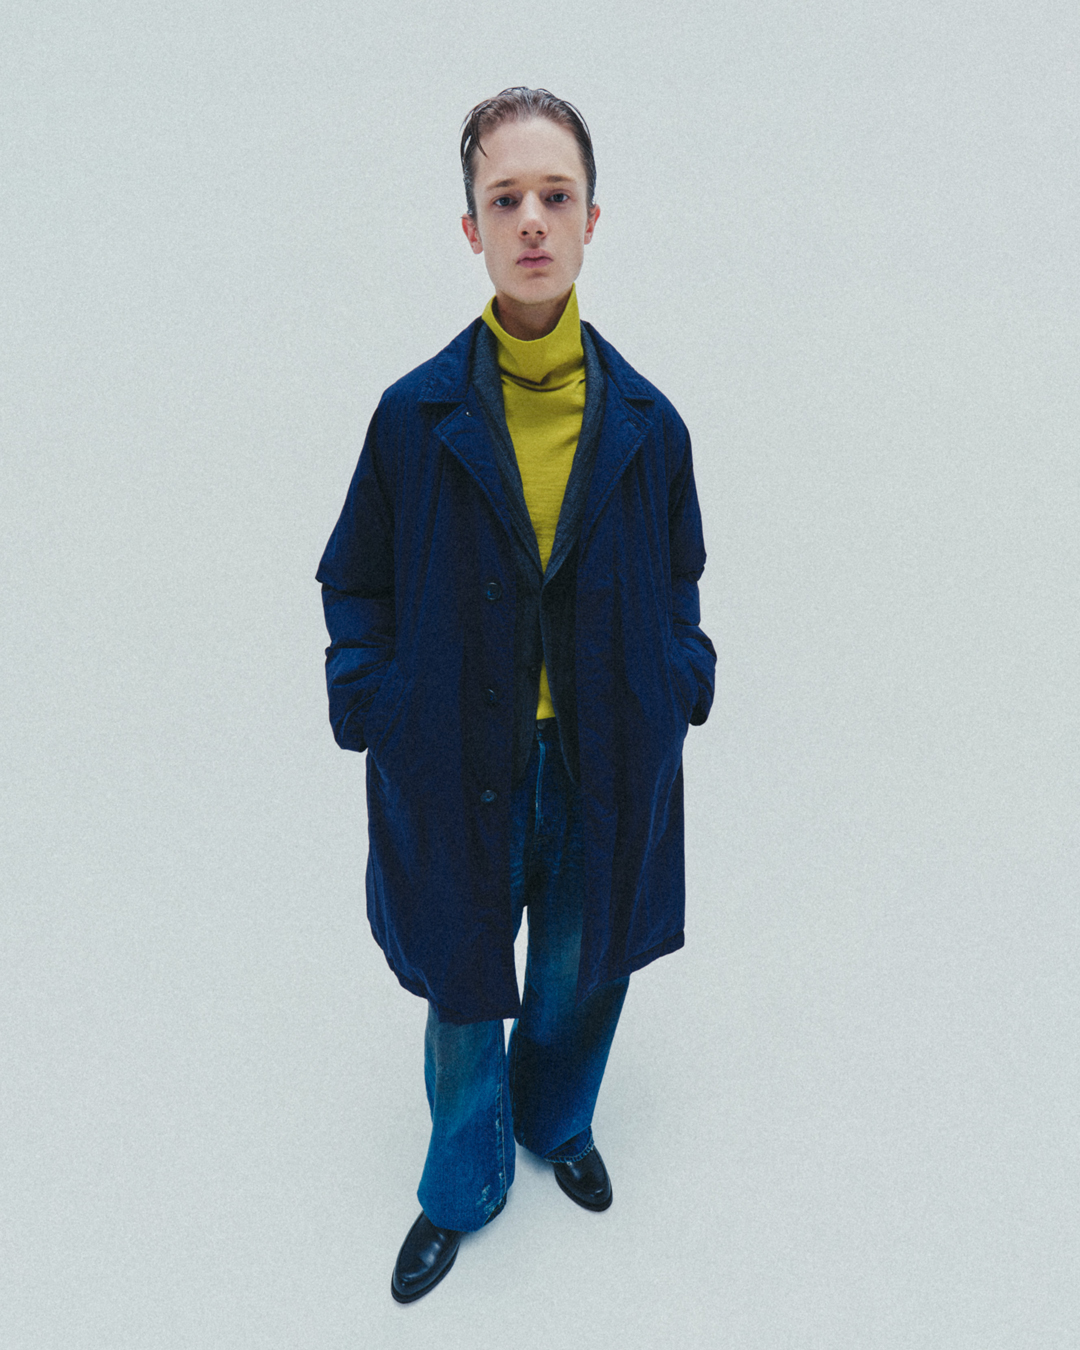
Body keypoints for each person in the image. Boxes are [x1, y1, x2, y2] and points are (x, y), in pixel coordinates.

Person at [317, 87, 716, 1303]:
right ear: (471, 229)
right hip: (454, 754)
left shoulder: (648, 422)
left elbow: (682, 571)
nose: (531, 219)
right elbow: (357, 578)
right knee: (463, 984)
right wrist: (372, 699)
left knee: (585, 966)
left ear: (593, 220)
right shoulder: (415, 416)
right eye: (505, 199)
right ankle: (462, 1184)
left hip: (606, 753)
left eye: (555, 195)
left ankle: (557, 1121)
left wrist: (681, 676)